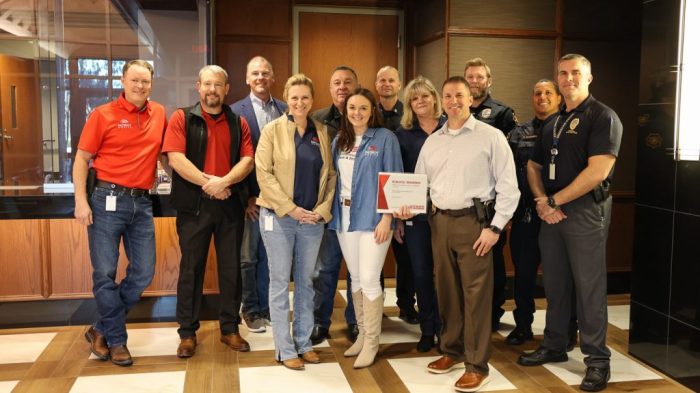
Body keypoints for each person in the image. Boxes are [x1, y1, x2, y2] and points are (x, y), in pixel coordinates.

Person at [401, 76, 518, 392]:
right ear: (443, 100)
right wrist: (403, 207)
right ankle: (451, 350)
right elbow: (418, 183)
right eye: (448, 95)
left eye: (459, 95)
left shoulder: (491, 137)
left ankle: (477, 365)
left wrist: (495, 227)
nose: (453, 101)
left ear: (470, 99)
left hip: (475, 224)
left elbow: (510, 188)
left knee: (476, 295)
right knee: (447, 290)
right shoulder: (434, 140)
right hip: (439, 223)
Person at [518, 54, 622, 393]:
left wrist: (554, 201)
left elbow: (598, 171)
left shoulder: (602, 116)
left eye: (575, 72)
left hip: (584, 212)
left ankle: (597, 360)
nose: (568, 78)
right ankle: (555, 344)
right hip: (551, 213)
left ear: (589, 77)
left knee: (589, 287)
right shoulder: (552, 122)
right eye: (562, 73)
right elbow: (534, 167)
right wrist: (541, 201)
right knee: (556, 283)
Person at [74, 59, 167, 367]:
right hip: (104, 200)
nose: (140, 86)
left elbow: (165, 155)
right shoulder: (103, 115)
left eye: (146, 81)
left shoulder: (160, 114)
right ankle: (117, 341)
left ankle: (101, 329)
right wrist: (80, 201)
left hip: (141, 203)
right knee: (105, 274)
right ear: (123, 81)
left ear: (151, 83)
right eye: (135, 80)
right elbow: (81, 159)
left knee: (143, 273)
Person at [163, 65, 254, 358]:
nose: (212, 90)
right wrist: (210, 184)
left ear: (227, 89)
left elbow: (247, 161)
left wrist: (225, 182)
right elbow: (175, 159)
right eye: (207, 84)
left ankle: (229, 328)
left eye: (218, 85)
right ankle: (187, 333)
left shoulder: (238, 122)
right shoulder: (182, 117)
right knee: (191, 268)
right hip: (194, 206)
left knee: (231, 269)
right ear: (198, 87)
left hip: (230, 205)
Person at [256, 73, 336, 370]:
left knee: (306, 281)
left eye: (305, 98)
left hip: (312, 221)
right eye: (294, 98)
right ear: (286, 100)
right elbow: (263, 174)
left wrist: (322, 210)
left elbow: (331, 177)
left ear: (312, 100)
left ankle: (303, 343)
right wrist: (290, 209)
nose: (300, 103)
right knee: (279, 283)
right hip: (279, 218)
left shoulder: (323, 132)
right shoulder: (272, 130)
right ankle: (285, 348)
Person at [330, 87, 403, 368]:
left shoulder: (385, 138)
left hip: (374, 218)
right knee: (356, 278)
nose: (357, 113)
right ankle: (362, 334)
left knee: (371, 277)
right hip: (344, 216)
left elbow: (393, 178)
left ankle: (373, 341)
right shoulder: (340, 139)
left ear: (372, 110)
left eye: (362, 108)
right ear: (345, 112)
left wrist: (388, 218)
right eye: (352, 108)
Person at [231, 56, 287, 333]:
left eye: (265, 73)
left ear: (273, 77)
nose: (260, 77)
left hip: (278, 201)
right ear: (247, 78)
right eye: (255, 73)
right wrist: (245, 198)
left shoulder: (285, 109)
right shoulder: (234, 112)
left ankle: (267, 308)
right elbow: (233, 159)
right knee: (248, 257)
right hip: (251, 201)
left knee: (272, 257)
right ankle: (250, 309)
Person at [505, 79, 561, 345]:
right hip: (525, 213)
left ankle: (562, 330)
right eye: (537, 93)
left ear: (558, 98)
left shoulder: (569, 129)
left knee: (559, 275)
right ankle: (523, 325)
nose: (542, 97)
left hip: (559, 214)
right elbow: (506, 173)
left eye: (548, 92)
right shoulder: (519, 132)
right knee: (524, 274)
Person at [464, 57, 518, 331]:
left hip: (491, 206)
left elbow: (510, 164)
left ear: (489, 81)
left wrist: (503, 212)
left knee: (492, 262)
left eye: (479, 77)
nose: (475, 81)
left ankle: (493, 313)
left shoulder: (503, 114)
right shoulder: (454, 113)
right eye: (470, 77)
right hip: (463, 205)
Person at [393, 76, 445, 351]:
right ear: (409, 104)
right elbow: (398, 177)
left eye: (425, 96)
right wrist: (399, 219)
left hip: (449, 213)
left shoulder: (451, 127)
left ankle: (448, 328)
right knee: (422, 273)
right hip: (415, 215)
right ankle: (427, 329)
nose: (421, 101)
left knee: (447, 274)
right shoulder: (403, 135)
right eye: (415, 98)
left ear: (435, 97)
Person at [310, 66, 359, 344]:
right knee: (324, 268)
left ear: (357, 85)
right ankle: (320, 322)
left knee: (356, 270)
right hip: (328, 207)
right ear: (330, 89)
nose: (342, 87)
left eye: (348, 82)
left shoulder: (368, 116)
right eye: (336, 82)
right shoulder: (317, 119)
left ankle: (355, 321)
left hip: (358, 208)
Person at [375, 65, 418, 325]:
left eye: (392, 80)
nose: (387, 84)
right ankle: (375, 306)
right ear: (376, 84)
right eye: (382, 80)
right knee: (375, 257)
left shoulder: (409, 113)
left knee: (406, 257)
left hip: (404, 194)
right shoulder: (370, 113)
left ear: (399, 84)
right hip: (377, 195)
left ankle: (406, 305)